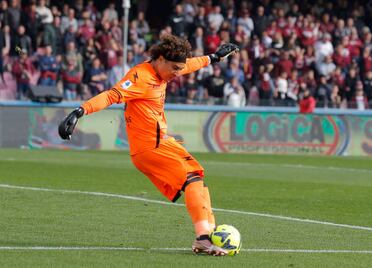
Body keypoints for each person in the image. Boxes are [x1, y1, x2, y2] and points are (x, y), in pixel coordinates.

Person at [58, 35, 239, 256]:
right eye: (174, 68)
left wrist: (213, 58)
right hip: (150, 147)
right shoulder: (139, 77)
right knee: (191, 178)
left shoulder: (166, 69)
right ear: (160, 59)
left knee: (197, 178)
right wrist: (79, 111)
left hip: (162, 142)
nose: (176, 73)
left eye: (178, 69)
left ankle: (208, 233)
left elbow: (189, 65)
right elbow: (111, 95)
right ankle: (203, 238)